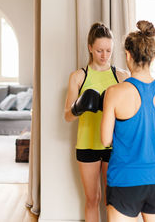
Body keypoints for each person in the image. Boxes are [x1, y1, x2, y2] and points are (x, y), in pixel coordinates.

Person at [101, 20, 155, 222]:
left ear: (127, 55)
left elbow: (105, 140)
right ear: (154, 56)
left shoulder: (114, 92)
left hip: (124, 180)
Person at [64, 22, 129, 222]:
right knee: (92, 199)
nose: (104, 55)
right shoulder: (78, 77)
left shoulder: (121, 76)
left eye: (108, 50)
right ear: (90, 48)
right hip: (87, 144)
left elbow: (128, 112)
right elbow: (67, 116)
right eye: (99, 50)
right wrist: (80, 106)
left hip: (113, 145)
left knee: (112, 200)